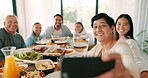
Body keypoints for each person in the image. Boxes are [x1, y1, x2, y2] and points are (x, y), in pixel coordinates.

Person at [84, 13, 139, 78]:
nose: (98, 30)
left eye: (102, 26)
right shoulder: (98, 47)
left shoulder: (122, 47)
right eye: (95, 27)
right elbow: (84, 56)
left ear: (112, 28)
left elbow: (131, 72)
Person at [115, 14, 148, 78]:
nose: (121, 27)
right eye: (119, 24)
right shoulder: (113, 41)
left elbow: (138, 61)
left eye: (125, 24)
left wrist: (144, 73)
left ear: (130, 27)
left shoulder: (130, 42)